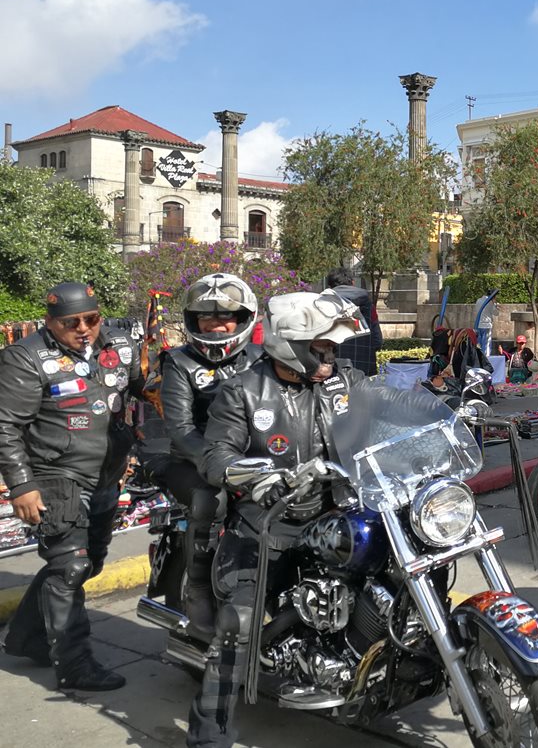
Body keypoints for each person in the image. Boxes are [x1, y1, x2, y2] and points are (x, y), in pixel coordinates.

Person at [186, 289, 368, 748]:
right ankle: (209, 737)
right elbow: (216, 454)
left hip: (337, 520)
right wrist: (250, 476)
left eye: (333, 347)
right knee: (239, 626)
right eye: (322, 347)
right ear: (292, 345)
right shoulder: (243, 390)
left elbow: (387, 417)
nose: (332, 355)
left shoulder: (347, 382)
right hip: (267, 528)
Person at [0, 282, 144, 690]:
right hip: (54, 476)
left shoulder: (118, 345)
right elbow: (5, 426)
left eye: (91, 319)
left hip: (107, 471)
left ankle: (27, 637)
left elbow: (137, 387)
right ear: (51, 322)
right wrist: (21, 486)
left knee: (89, 563)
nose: (83, 329)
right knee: (70, 566)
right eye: (71, 323)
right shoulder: (25, 358)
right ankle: (74, 665)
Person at [155, 273, 261, 638]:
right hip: (193, 463)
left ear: (244, 319)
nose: (216, 324)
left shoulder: (261, 360)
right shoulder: (179, 363)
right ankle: (198, 587)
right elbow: (181, 429)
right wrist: (223, 466)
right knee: (210, 502)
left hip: (254, 461)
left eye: (224, 316)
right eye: (206, 316)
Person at [325, 268, 383, 375]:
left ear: (329, 286)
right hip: (364, 369)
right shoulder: (368, 306)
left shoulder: (321, 305)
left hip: (333, 371)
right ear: (352, 283)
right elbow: (377, 341)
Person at [473, 292, 497, 357]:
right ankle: (486, 359)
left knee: (479, 344)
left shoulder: (478, 301)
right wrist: (495, 304)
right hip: (487, 325)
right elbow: (496, 313)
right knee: (486, 344)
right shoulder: (490, 302)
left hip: (478, 325)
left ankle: (478, 358)